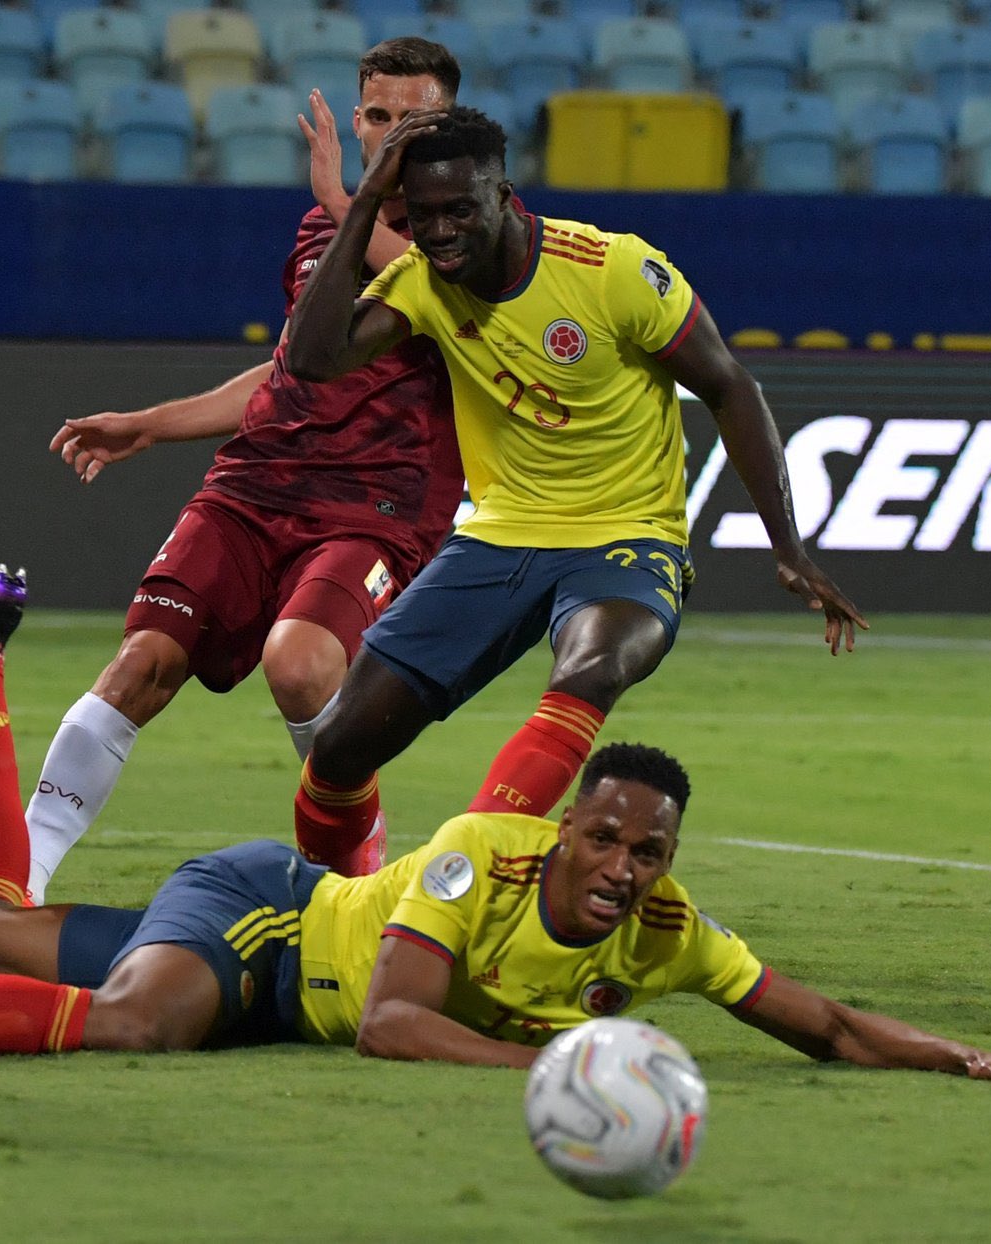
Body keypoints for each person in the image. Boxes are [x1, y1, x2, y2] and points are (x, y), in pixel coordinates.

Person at [0, 538, 991, 1088]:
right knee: (134, 1024)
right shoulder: (485, 856)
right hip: (263, 924)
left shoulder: (663, 935)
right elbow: (397, 1021)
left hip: (283, 975)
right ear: (571, 826)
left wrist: (958, 1059)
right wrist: (561, 1072)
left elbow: (819, 1022)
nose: (619, 867)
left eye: (647, 853)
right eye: (603, 836)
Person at [276, 108, 869, 871]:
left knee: (591, 668)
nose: (440, 231)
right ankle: (334, 910)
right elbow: (313, 360)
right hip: (499, 535)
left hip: (626, 538)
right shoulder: (420, 281)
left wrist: (788, 548)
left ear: (506, 197)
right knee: (338, 750)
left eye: (460, 210)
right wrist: (361, 204)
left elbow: (730, 386)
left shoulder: (612, 269)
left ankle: (463, 881)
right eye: (421, 215)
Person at [27, 38, 466, 894]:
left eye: (414, 119)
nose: (391, 134)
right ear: (355, 118)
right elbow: (290, 366)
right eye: (377, 116)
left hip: (375, 504)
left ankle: (349, 867)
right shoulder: (322, 230)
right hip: (257, 483)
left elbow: (446, 301)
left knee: (299, 664)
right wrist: (153, 425)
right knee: (142, 661)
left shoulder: (477, 234)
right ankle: (21, 878)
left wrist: (346, 201)